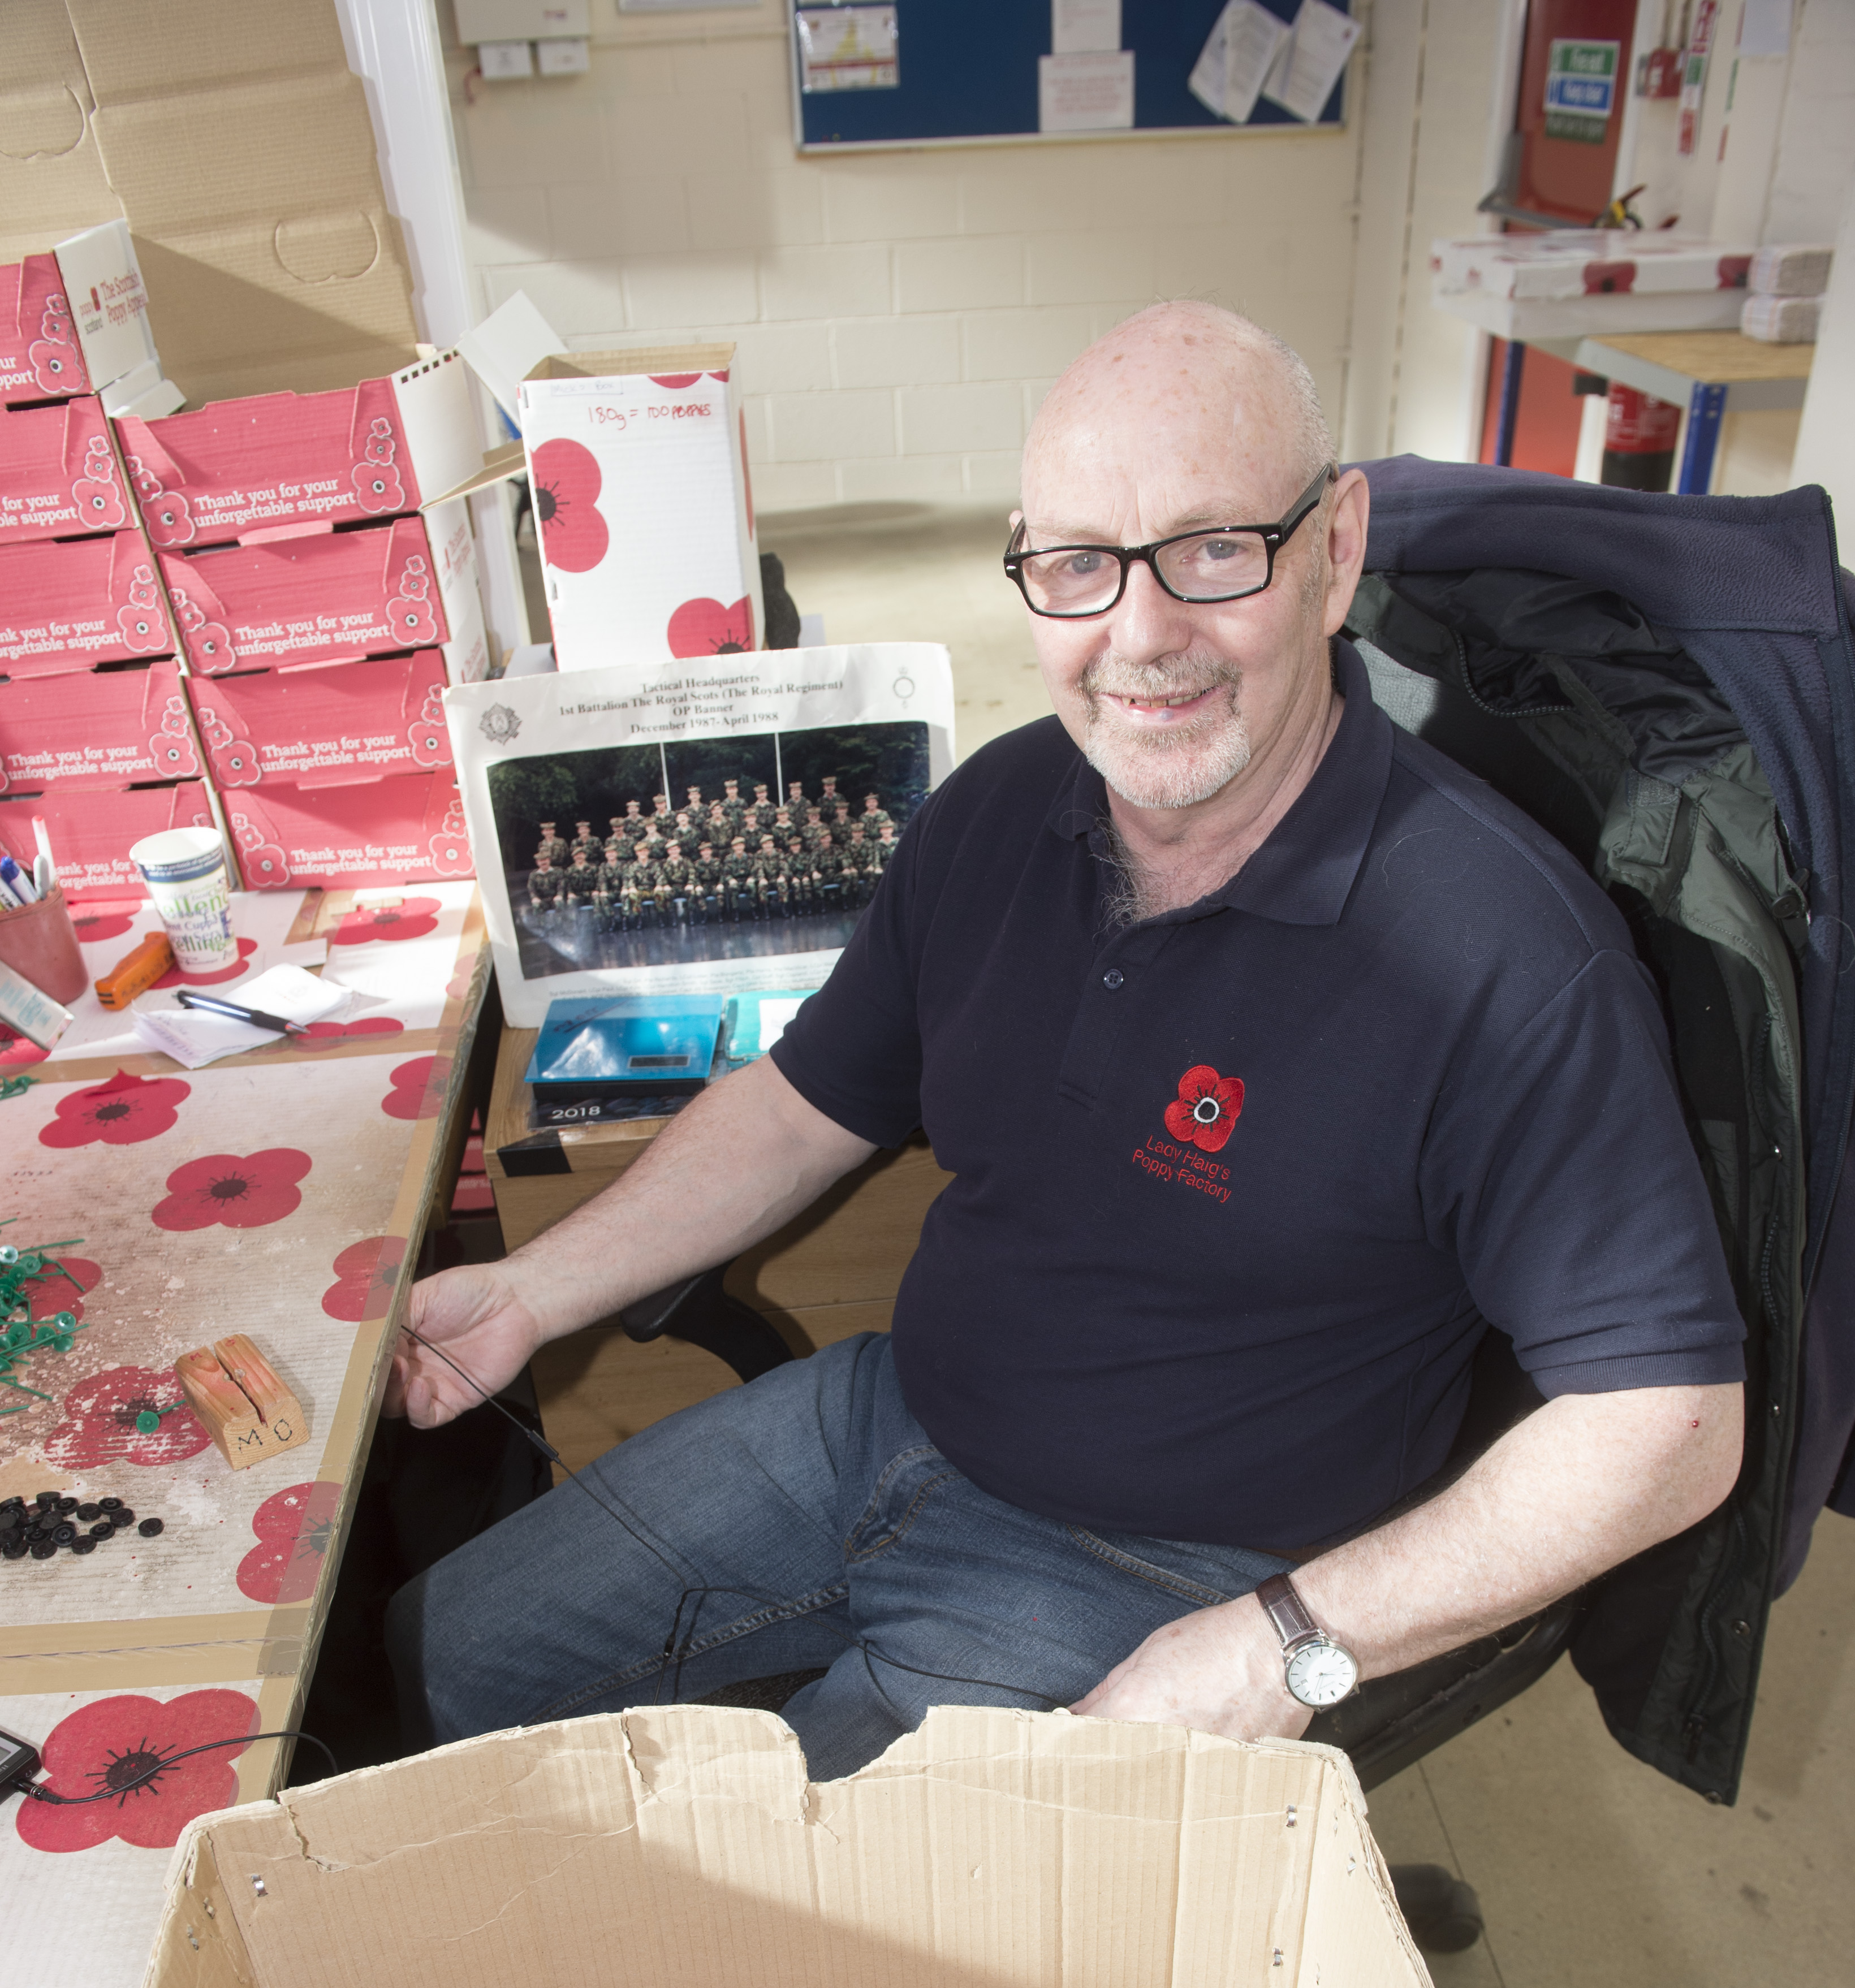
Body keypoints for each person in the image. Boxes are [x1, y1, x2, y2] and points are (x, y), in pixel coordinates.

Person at [388, 301, 1742, 1787]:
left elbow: (1668, 1425)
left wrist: (1280, 1641)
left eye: (1218, 549)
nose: (1143, 637)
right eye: (1081, 565)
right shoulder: (1001, 807)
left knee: (801, 1963)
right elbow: (797, 1106)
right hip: (888, 1419)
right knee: (437, 1663)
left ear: (1337, 547)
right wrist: (530, 1291)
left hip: (1171, 1575)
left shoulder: (1501, 954)